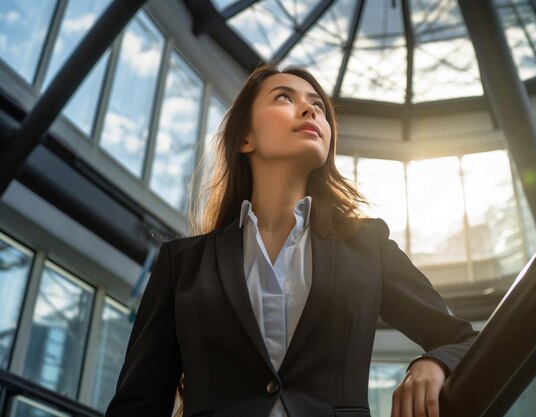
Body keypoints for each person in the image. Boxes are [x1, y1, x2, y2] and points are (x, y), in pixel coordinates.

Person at [105, 65, 477, 417]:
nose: (310, 111)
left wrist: (433, 362)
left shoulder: (369, 245)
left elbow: (461, 339)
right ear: (245, 138)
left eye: (318, 106)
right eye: (285, 98)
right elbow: (138, 405)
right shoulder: (181, 263)